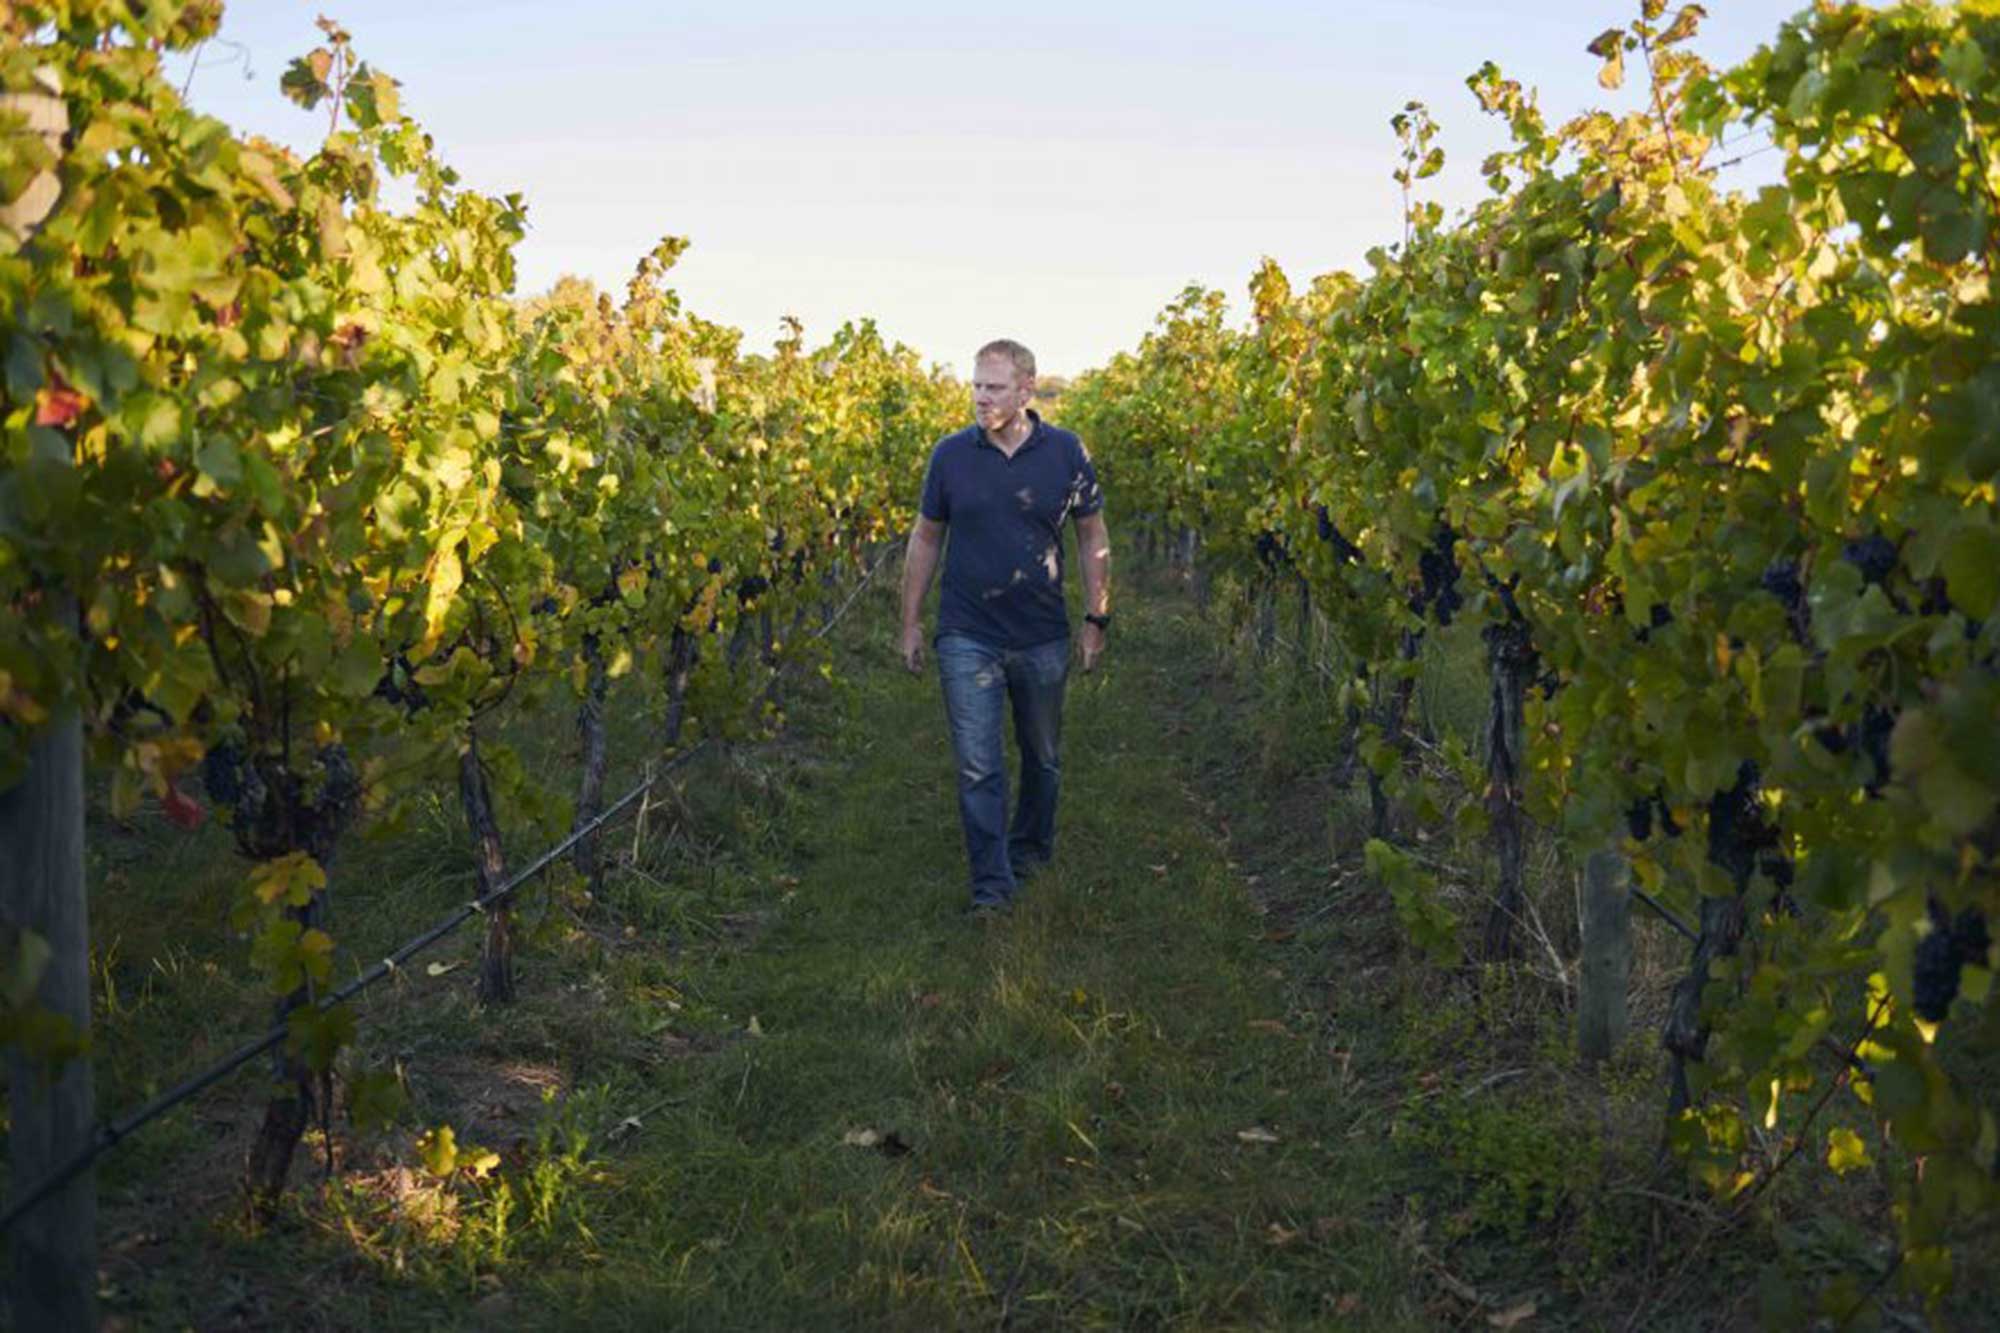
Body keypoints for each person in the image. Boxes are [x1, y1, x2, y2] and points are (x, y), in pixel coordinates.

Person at [900, 339, 1111, 913]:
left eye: (993, 387)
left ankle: (1030, 851)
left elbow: (1092, 537)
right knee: (978, 764)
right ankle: (991, 885)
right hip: (967, 633)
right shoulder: (950, 455)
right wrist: (911, 622)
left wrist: (1096, 617)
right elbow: (925, 537)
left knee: (1041, 757)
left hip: (1042, 633)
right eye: (975, 385)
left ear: (1027, 390)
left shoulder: (1066, 452)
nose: (980, 397)